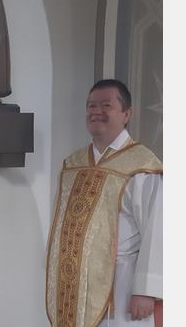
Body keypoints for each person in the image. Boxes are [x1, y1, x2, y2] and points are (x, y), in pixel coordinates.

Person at [45, 80, 163, 327]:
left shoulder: (142, 166)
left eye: (106, 105)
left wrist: (146, 289)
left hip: (122, 283)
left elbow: (158, 230)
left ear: (126, 114)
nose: (96, 111)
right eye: (91, 105)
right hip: (74, 283)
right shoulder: (73, 164)